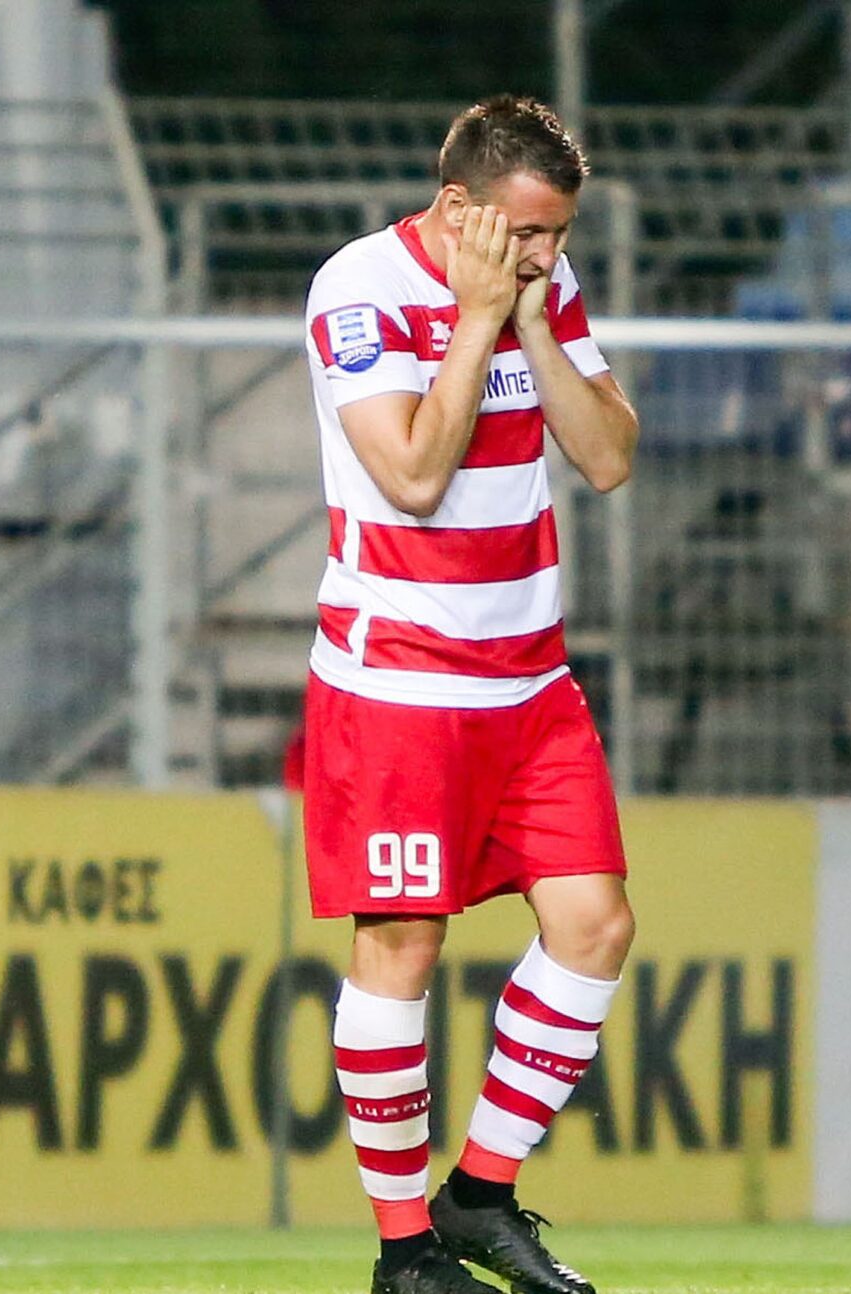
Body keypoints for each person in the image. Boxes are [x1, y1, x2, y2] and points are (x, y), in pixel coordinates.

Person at [300, 95, 639, 1294]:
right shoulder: (359, 290)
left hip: (528, 677)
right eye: (528, 232)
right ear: (458, 207)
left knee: (594, 925)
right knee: (402, 944)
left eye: (560, 233)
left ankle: (479, 1194)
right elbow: (412, 474)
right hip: (399, 679)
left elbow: (606, 457)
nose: (547, 253)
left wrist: (529, 322)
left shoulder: (544, 287)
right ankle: (404, 1255)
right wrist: (478, 322)